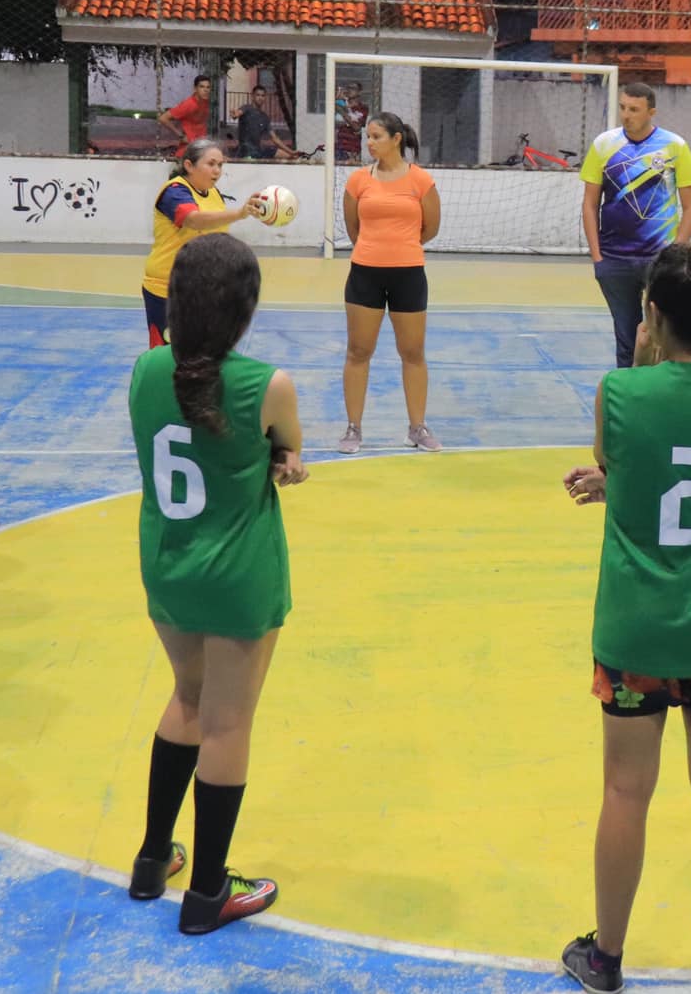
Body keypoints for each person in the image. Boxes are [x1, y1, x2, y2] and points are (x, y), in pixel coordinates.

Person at [557, 231, 691, 994]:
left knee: (625, 792)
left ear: (651, 312)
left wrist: (615, 480)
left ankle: (606, 959)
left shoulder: (618, 393)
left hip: (636, 630)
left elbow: (627, 457)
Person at [126, 233, 306, 935]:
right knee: (228, 723)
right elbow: (286, 448)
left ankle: (152, 859)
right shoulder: (267, 384)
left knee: (187, 697)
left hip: (168, 563)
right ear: (244, 308)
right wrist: (287, 462)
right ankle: (208, 892)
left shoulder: (145, 369)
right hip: (236, 574)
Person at [338, 112, 443, 454]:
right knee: (358, 352)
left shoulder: (421, 181)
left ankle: (417, 427)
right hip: (365, 274)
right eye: (367, 137)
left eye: (376, 136)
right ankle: (353, 428)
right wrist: (375, 249)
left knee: (412, 353)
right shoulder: (358, 181)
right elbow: (353, 228)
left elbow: (431, 228)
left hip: (408, 274)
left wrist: (401, 247)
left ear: (396, 139)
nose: (369, 143)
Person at [580, 82, 691, 369]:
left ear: (651, 112)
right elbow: (589, 204)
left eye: (634, 109)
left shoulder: (674, 146)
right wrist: (598, 257)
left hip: (660, 261)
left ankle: (662, 390)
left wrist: (676, 255)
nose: (626, 115)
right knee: (626, 340)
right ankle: (629, 391)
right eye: (623, 107)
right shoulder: (603, 145)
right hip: (614, 261)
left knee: (665, 337)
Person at [142, 139, 265, 349]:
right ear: (189, 165)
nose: (217, 170)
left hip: (202, 286)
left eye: (220, 165)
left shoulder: (214, 194)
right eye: (211, 164)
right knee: (167, 354)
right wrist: (239, 213)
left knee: (202, 352)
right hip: (168, 287)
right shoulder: (174, 191)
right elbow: (193, 219)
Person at [234, 82, 290, 161]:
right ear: (252, 96)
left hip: (258, 152)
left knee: (286, 155)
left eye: (263, 95)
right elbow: (237, 113)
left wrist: (291, 152)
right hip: (245, 152)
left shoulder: (265, 117)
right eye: (258, 95)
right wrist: (234, 114)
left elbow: (275, 138)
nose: (260, 98)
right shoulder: (246, 108)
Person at [157, 76, 215, 147]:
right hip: (189, 148)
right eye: (202, 87)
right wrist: (181, 136)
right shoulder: (189, 104)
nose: (205, 90)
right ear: (195, 89)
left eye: (208, 87)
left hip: (201, 145)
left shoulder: (205, 101)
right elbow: (163, 118)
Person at [334, 81, 369, 166]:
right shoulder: (339, 104)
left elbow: (357, 127)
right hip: (338, 146)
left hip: (352, 148)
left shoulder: (362, 108)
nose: (349, 90)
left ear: (359, 92)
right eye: (348, 88)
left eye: (353, 88)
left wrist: (343, 112)